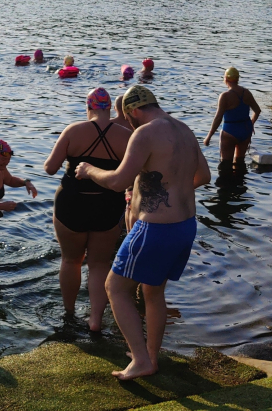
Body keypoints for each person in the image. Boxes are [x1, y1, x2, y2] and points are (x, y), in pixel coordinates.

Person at [75, 85, 210, 380]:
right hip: (185, 226)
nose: (129, 123)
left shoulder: (145, 133)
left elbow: (117, 180)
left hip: (156, 228)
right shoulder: (183, 129)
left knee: (115, 288)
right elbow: (204, 176)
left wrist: (88, 170)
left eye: (128, 117)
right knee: (153, 291)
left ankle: (140, 360)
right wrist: (171, 191)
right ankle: (149, 355)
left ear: (134, 111)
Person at [43, 88, 132, 330]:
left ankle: (69, 314)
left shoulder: (73, 130)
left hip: (71, 204)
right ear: (110, 108)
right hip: (107, 205)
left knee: (71, 260)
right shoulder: (126, 136)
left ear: (89, 107)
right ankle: (95, 321)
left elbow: (50, 168)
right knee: (100, 264)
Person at [203, 67, 261, 166]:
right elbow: (257, 110)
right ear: (237, 79)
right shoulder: (246, 92)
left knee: (225, 164)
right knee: (239, 162)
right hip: (246, 130)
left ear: (225, 79)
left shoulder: (225, 96)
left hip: (230, 132)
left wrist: (208, 137)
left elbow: (218, 118)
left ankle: (227, 180)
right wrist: (251, 124)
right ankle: (240, 180)